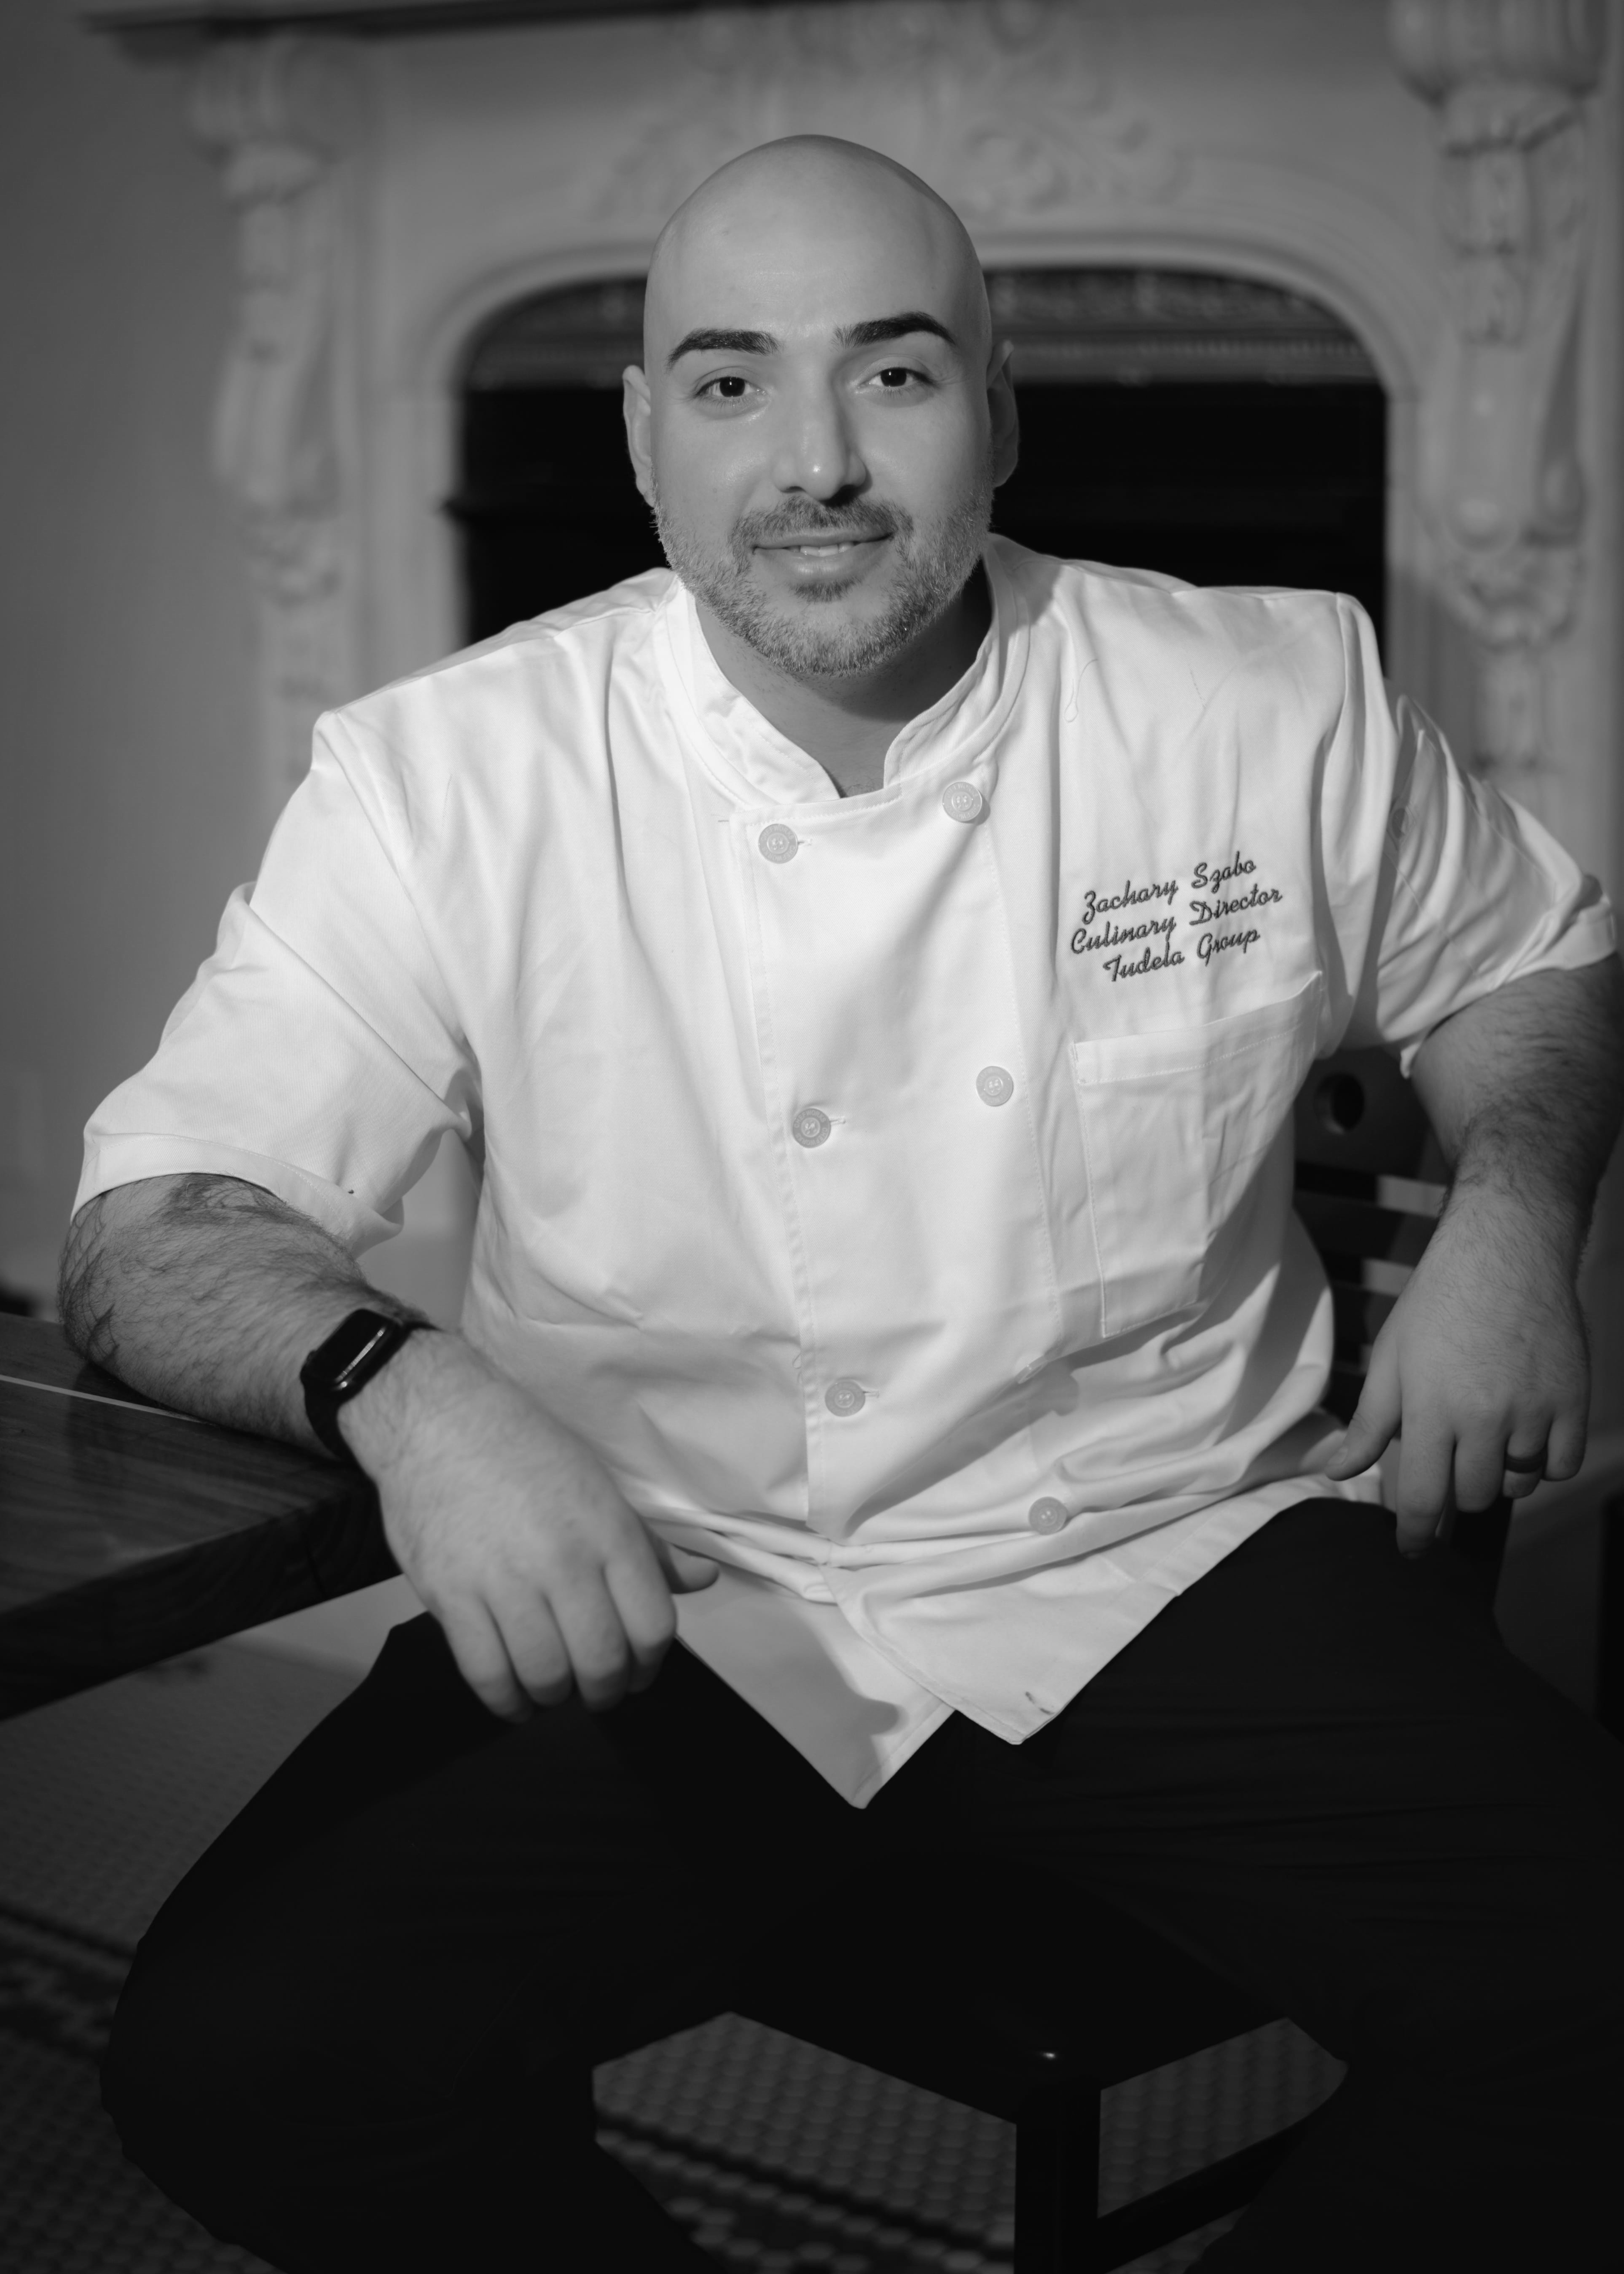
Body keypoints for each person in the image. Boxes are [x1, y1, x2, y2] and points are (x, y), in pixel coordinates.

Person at [63, 137, 1623, 2272]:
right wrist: (415, 1400)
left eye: (892, 374)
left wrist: (1512, 1221)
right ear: (643, 438)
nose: (814, 460)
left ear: (999, 410)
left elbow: (1534, 961)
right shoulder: (447, 778)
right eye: (730, 384)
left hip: (1170, 1548)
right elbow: (155, 1220)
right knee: (247, 2066)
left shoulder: (1261, 699)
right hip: (688, 1585)